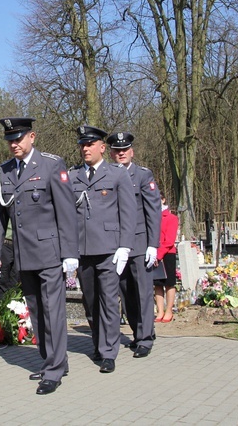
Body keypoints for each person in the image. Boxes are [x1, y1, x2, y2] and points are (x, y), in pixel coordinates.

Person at [0, 117, 79, 395]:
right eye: (10, 140)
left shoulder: (52, 165)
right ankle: (53, 360)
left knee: (53, 311)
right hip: (23, 254)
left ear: (32, 137)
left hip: (49, 253)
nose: (14, 144)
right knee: (37, 311)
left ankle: (53, 370)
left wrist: (70, 254)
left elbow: (66, 212)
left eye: (18, 138)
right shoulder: (4, 171)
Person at [69, 126, 136, 373]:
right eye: (82, 145)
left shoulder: (117, 174)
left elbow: (128, 213)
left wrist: (125, 246)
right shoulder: (73, 175)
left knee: (108, 300)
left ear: (101, 147)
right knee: (90, 301)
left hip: (109, 249)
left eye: (89, 144)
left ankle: (108, 352)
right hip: (82, 250)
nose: (85, 149)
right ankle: (98, 343)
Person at [107, 131, 161, 358]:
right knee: (126, 291)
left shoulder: (142, 175)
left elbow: (153, 211)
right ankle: (138, 330)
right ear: (111, 153)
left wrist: (153, 244)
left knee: (142, 292)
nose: (121, 154)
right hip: (117, 243)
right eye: (117, 151)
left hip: (139, 242)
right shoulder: (107, 175)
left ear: (132, 152)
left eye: (125, 150)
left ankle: (145, 337)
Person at [0, 192, 20, 306]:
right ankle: (0, 309)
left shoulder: (18, 205)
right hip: (4, 245)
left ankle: (13, 310)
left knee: (15, 280)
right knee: (1, 281)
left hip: (17, 245)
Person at [154, 193, 179, 323]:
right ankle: (160, 310)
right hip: (154, 254)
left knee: (169, 283)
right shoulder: (152, 216)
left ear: (163, 200)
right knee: (157, 284)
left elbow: (169, 240)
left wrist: (159, 255)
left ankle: (169, 310)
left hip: (167, 253)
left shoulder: (171, 218)